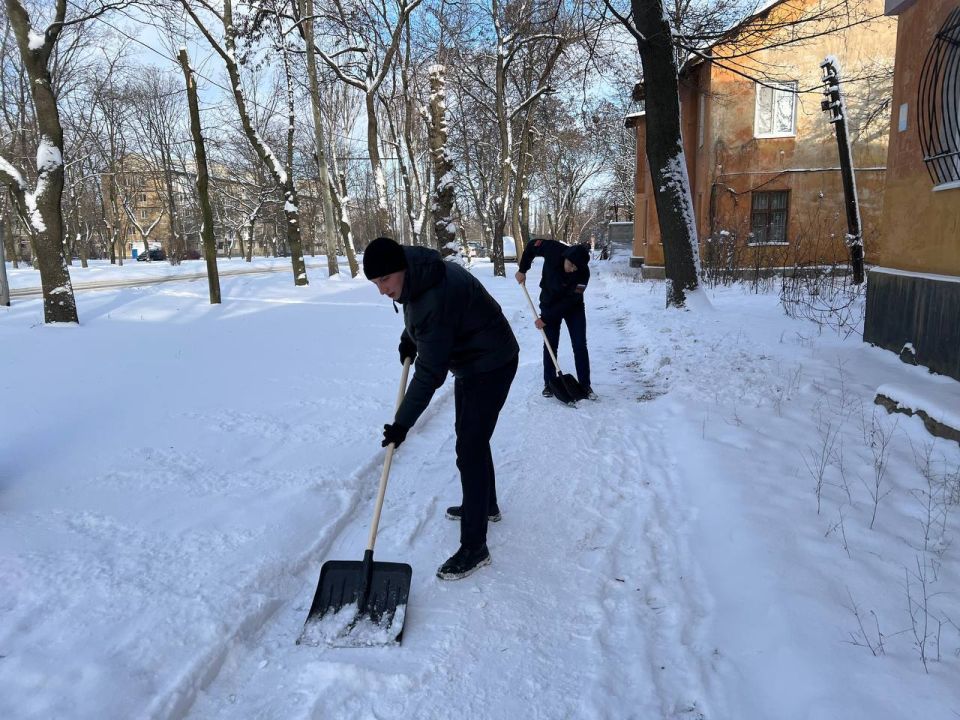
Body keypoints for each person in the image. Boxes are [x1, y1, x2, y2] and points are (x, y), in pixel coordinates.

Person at [363, 236, 519, 580]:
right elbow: (420, 316)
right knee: (471, 440)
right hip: (474, 358)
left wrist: (402, 424)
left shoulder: (432, 295)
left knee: (470, 446)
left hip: (490, 363)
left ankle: (475, 547)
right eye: (375, 283)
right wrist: (411, 337)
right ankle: (486, 504)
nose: (381, 290)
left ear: (400, 268)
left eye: (384, 280)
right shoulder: (419, 275)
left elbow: (430, 374)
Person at [515, 238, 596, 400]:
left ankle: (585, 386)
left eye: (576, 268)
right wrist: (523, 269)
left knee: (579, 344)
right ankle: (549, 383)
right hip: (549, 301)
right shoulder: (552, 249)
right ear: (566, 257)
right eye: (571, 265)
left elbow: (570, 300)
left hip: (573, 308)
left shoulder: (583, 274)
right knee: (550, 343)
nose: (572, 269)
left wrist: (545, 318)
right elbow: (532, 245)